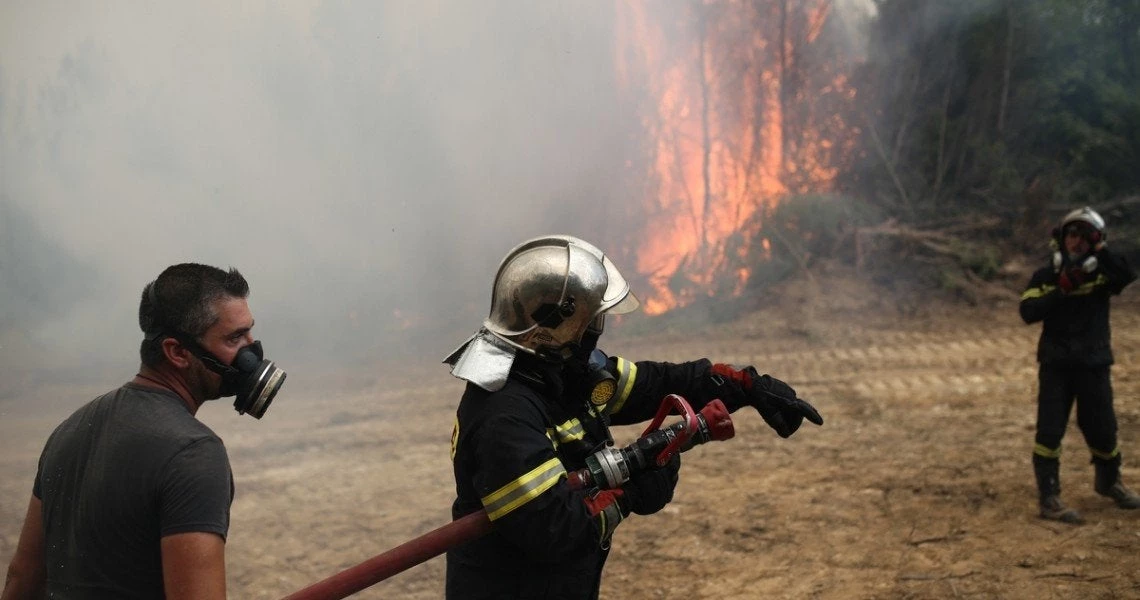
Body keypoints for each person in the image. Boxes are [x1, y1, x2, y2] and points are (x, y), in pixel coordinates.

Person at [443, 235, 823, 599]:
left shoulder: (556, 372)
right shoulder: (502, 414)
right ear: (556, 325)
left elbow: (653, 385)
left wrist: (742, 385)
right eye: (590, 321)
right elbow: (554, 529)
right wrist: (631, 493)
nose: (596, 332)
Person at [1, 263, 286, 600]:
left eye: (249, 332)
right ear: (177, 352)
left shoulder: (69, 430)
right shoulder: (193, 452)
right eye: (234, 337)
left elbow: (21, 577)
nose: (252, 350)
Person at [1020, 207, 1139, 524]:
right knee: (1050, 430)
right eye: (1072, 234)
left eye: (1085, 237)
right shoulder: (1046, 276)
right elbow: (1028, 311)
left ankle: (1109, 482)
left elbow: (1127, 275)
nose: (1077, 242)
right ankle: (1049, 498)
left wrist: (1101, 250)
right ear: (1061, 239)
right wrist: (1061, 290)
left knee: (1103, 429)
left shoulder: (1101, 275)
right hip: (1056, 365)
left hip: (1093, 363)